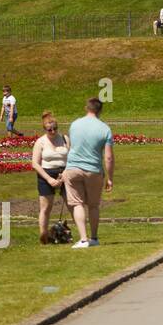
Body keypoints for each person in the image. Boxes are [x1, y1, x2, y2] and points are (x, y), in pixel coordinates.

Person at [62, 97, 114, 248]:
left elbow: (71, 147)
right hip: (93, 170)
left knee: (77, 204)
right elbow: (108, 157)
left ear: (87, 108)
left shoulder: (75, 124)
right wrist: (109, 178)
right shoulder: (105, 129)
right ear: (100, 110)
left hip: (73, 168)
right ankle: (94, 238)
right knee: (93, 205)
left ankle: (83, 239)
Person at [31, 111, 69, 244]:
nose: (53, 131)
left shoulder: (64, 138)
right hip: (46, 174)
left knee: (72, 204)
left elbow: (72, 157)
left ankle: (82, 236)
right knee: (46, 207)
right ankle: (44, 235)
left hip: (64, 174)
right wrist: (49, 179)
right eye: (49, 130)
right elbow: (35, 164)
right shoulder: (40, 142)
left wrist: (65, 174)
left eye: (55, 129)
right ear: (44, 129)